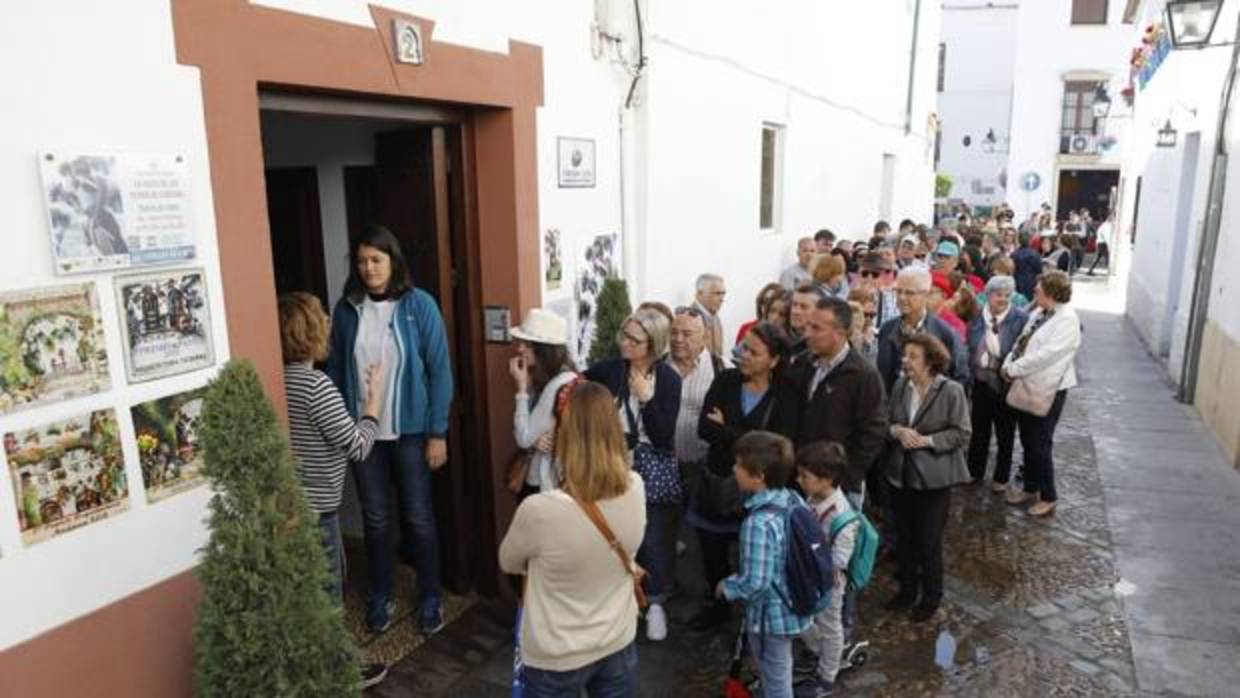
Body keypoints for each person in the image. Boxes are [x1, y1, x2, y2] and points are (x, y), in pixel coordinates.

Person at [325, 224, 453, 635]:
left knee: (418, 517)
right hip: (364, 435)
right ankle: (381, 594)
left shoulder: (419, 305)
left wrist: (438, 432)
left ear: (393, 261)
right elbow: (335, 369)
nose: (369, 268)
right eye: (362, 261)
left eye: (376, 260)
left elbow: (440, 371)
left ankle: (430, 596)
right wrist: (339, 425)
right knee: (376, 518)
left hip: (411, 433)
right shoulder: (347, 309)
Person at [499, 382, 646, 697]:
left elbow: (509, 561)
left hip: (557, 653)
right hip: (617, 639)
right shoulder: (636, 487)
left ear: (564, 434)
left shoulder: (540, 510)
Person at [279, 291, 389, 689]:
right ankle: (340, 675)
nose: (328, 324)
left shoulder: (279, 379)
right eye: (322, 319)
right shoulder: (316, 385)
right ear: (310, 332)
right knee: (328, 596)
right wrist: (374, 401)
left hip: (293, 509)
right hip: (318, 512)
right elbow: (358, 447)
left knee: (307, 594)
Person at [688, 322, 799, 631]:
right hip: (719, 486)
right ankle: (718, 608)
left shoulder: (786, 395)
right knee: (712, 552)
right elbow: (704, 428)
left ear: (774, 360)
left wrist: (727, 430)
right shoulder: (726, 380)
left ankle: (754, 619)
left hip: (758, 494)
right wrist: (750, 437)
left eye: (753, 351)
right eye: (743, 348)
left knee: (756, 558)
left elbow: (779, 448)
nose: (743, 355)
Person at [584, 308, 682, 641]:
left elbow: (663, 436)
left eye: (634, 340)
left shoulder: (668, 380)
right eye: (624, 336)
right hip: (610, 463)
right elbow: (576, 387)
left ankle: (655, 604)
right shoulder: (609, 370)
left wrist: (647, 400)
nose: (624, 343)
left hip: (649, 467)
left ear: (653, 344)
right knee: (610, 534)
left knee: (653, 537)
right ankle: (616, 602)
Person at [716, 431, 813, 698]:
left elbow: (756, 583)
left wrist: (728, 587)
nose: (734, 469)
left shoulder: (757, 524)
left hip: (771, 617)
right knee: (779, 669)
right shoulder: (791, 498)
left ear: (758, 476)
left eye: (738, 465)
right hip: (793, 601)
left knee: (775, 677)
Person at [882, 333, 971, 622]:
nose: (905, 361)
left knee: (929, 541)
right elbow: (887, 421)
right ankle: (907, 591)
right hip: (901, 474)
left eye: (912, 356)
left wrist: (927, 441)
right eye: (905, 355)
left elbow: (962, 434)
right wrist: (897, 431)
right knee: (904, 537)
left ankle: (932, 597)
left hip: (934, 479)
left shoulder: (951, 390)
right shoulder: (900, 386)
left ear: (930, 362)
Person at [1001, 271, 1082, 518]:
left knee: (1040, 443)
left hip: (1049, 389)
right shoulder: (1041, 312)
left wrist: (1013, 369)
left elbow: (1046, 355)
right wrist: (1009, 362)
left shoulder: (1067, 320)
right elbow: (1022, 342)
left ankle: (1049, 496)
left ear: (1052, 293)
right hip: (1028, 384)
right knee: (1028, 439)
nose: (1034, 291)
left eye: (1039, 289)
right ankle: (1031, 486)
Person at [793, 442, 857, 697]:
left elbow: (840, 560)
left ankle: (827, 676)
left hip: (828, 584)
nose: (798, 480)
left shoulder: (841, 515)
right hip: (809, 578)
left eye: (804, 476)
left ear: (826, 480)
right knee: (805, 618)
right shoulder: (814, 498)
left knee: (831, 629)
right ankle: (818, 650)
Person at [966, 276, 1029, 489]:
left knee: (1005, 432)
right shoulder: (977, 316)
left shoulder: (1020, 318)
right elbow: (968, 345)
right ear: (988, 295)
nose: (1002, 299)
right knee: (979, 430)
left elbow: (1022, 351)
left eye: (1007, 295)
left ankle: (1000, 478)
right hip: (980, 380)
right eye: (998, 294)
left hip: (1005, 383)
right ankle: (975, 471)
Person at [509, 308, 579, 496]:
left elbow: (523, 438)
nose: (520, 349)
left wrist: (521, 389)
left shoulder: (555, 385)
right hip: (555, 481)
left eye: (527, 345)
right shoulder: (568, 377)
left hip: (543, 483)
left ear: (544, 350)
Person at [876, 267, 969, 394]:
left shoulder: (944, 333)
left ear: (926, 295)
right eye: (898, 291)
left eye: (909, 293)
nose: (902, 297)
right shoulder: (887, 329)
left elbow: (960, 377)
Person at [855, 251, 899, 330]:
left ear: (882, 276)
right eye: (865, 274)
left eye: (875, 275)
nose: (869, 279)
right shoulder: (848, 297)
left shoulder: (891, 299)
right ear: (858, 274)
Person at [693, 273, 728, 356]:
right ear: (699, 293)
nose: (722, 299)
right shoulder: (688, 319)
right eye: (717, 293)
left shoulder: (716, 318)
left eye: (723, 294)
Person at [928, 272, 967, 339]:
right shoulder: (916, 315)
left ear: (944, 295)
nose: (925, 296)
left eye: (930, 293)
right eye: (923, 292)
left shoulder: (954, 324)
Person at [1011, 232, 1042, 299]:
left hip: (1017, 280)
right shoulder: (1034, 254)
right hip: (1030, 281)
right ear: (1030, 240)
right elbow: (1039, 269)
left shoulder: (1014, 254)